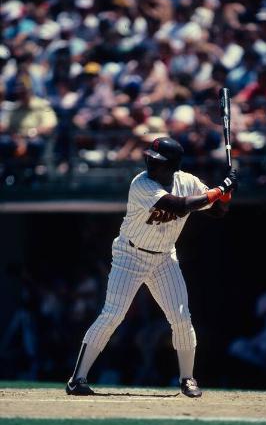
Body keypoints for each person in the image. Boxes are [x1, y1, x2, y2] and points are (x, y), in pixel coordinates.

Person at [66, 136, 237, 398]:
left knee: (181, 318)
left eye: (157, 161)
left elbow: (217, 212)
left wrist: (226, 194)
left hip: (164, 258)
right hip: (129, 255)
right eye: (150, 158)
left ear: (173, 165)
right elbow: (179, 206)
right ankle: (77, 379)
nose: (150, 163)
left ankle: (187, 379)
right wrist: (218, 189)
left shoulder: (187, 181)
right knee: (112, 315)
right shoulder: (141, 183)